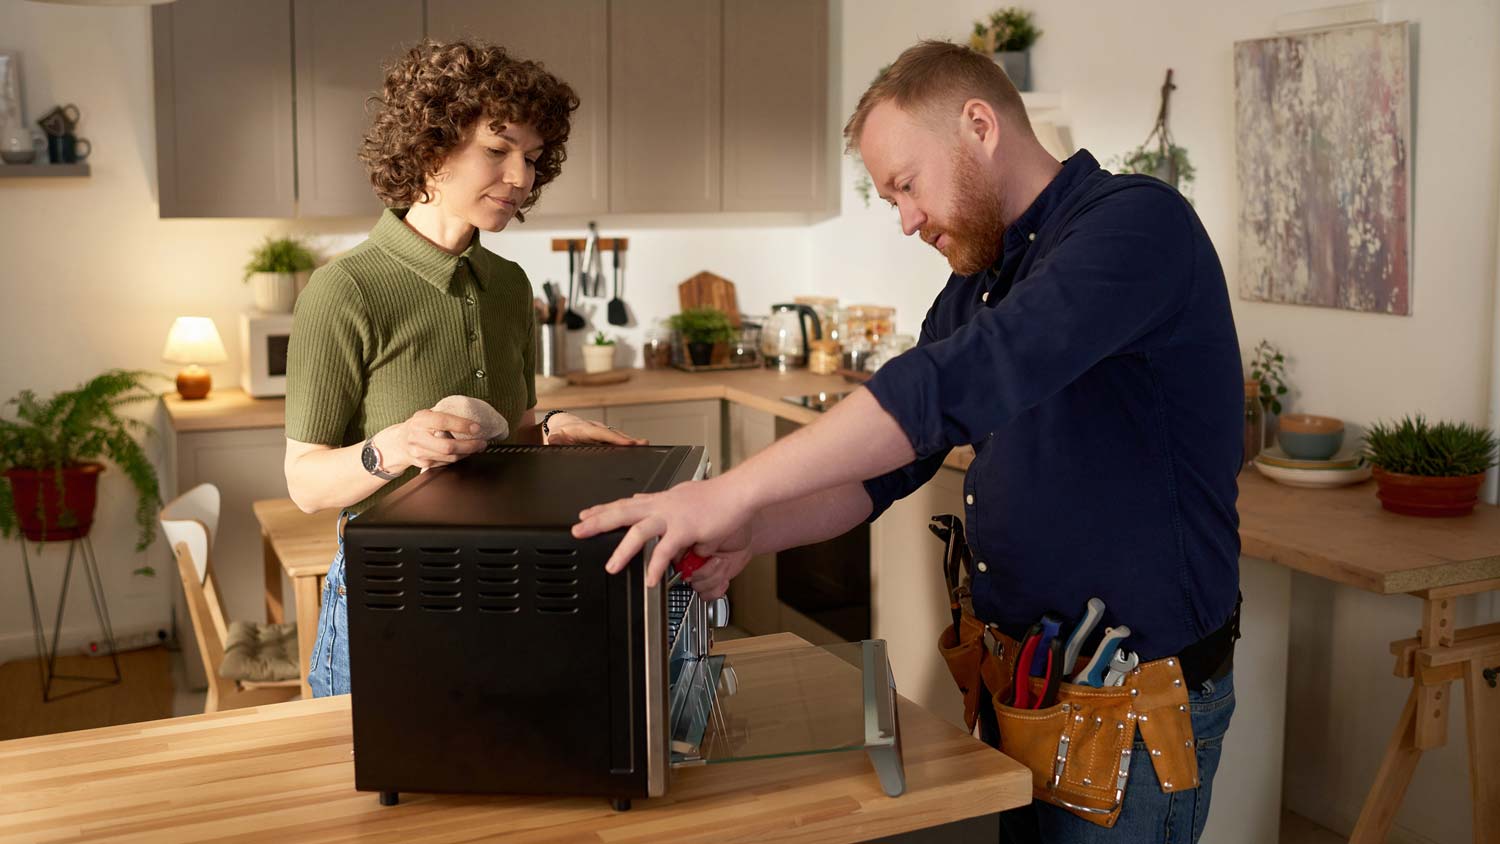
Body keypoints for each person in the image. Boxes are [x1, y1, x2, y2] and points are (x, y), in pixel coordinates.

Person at [573, 40, 1242, 842]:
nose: (906, 221)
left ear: (979, 126)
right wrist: (750, 529)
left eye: (905, 186)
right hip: (1027, 694)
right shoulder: (980, 278)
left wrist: (725, 491)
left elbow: (950, 385)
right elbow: (892, 466)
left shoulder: (1137, 225)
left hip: (1132, 711)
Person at [285, 40, 642, 699]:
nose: (523, 178)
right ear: (431, 147)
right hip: (387, 591)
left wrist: (550, 427)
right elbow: (305, 483)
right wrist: (396, 446)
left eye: (533, 159)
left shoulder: (508, 285)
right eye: (498, 150)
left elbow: (511, 425)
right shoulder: (344, 291)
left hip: (506, 584)